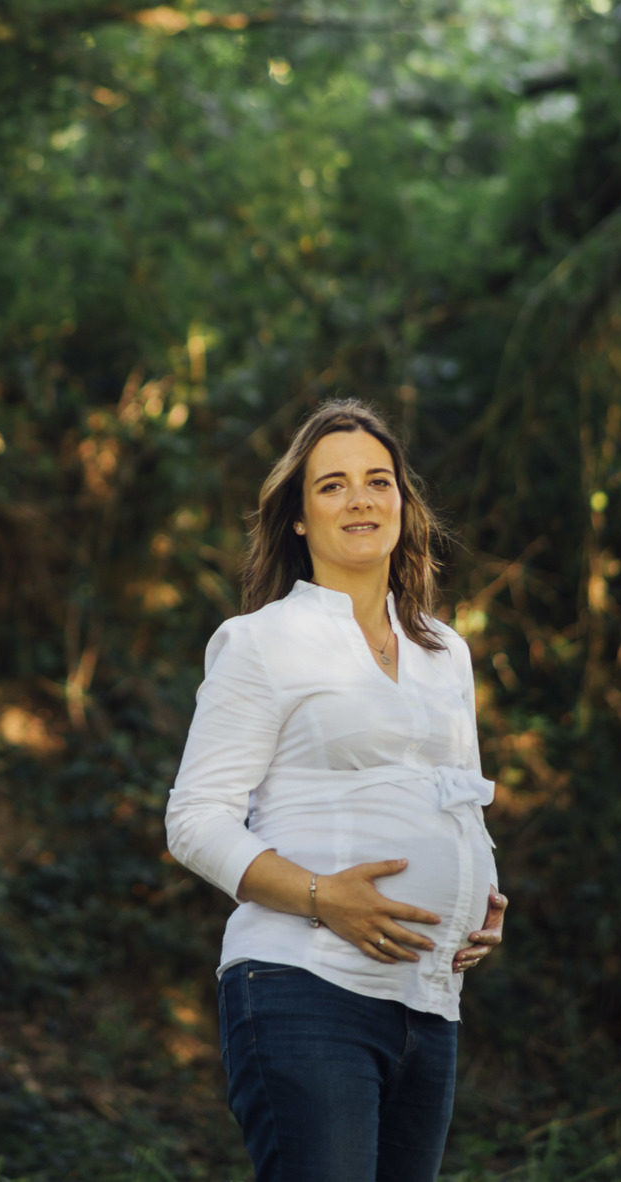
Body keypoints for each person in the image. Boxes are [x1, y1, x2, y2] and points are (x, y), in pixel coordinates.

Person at [166, 398, 507, 1182]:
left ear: (402, 502)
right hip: (302, 988)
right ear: (297, 517)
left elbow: (454, 798)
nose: (361, 498)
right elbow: (194, 820)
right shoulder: (260, 642)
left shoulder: (444, 650)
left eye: (378, 480)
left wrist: (480, 894)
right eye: (333, 485)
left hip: (429, 1002)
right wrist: (325, 895)